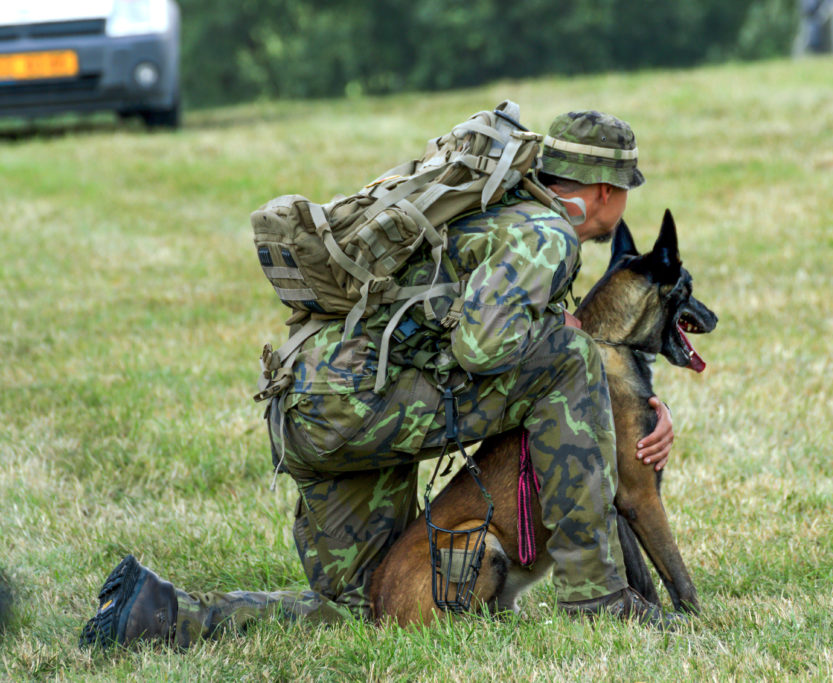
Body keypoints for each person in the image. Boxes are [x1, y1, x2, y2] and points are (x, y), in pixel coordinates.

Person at [80, 109, 682, 649]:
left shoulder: (489, 209)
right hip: (361, 407)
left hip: (309, 408)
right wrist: (592, 372)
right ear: (607, 191)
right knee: (571, 358)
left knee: (368, 606)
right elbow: (484, 349)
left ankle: (160, 613)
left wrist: (619, 409)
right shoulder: (546, 233)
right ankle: (597, 599)